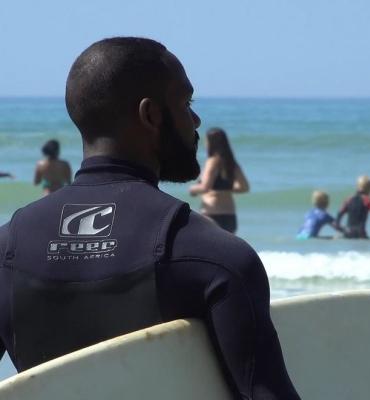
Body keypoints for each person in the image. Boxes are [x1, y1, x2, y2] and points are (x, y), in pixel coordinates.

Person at [0, 37, 300, 399]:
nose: (196, 119)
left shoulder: (7, 249)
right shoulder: (216, 258)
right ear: (151, 115)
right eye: (186, 103)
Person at [189, 128, 249, 234]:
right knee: (226, 249)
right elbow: (244, 187)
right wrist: (224, 189)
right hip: (230, 214)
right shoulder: (231, 163)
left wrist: (192, 189)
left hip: (212, 213)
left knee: (209, 249)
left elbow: (205, 187)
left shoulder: (212, 161)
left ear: (211, 142)